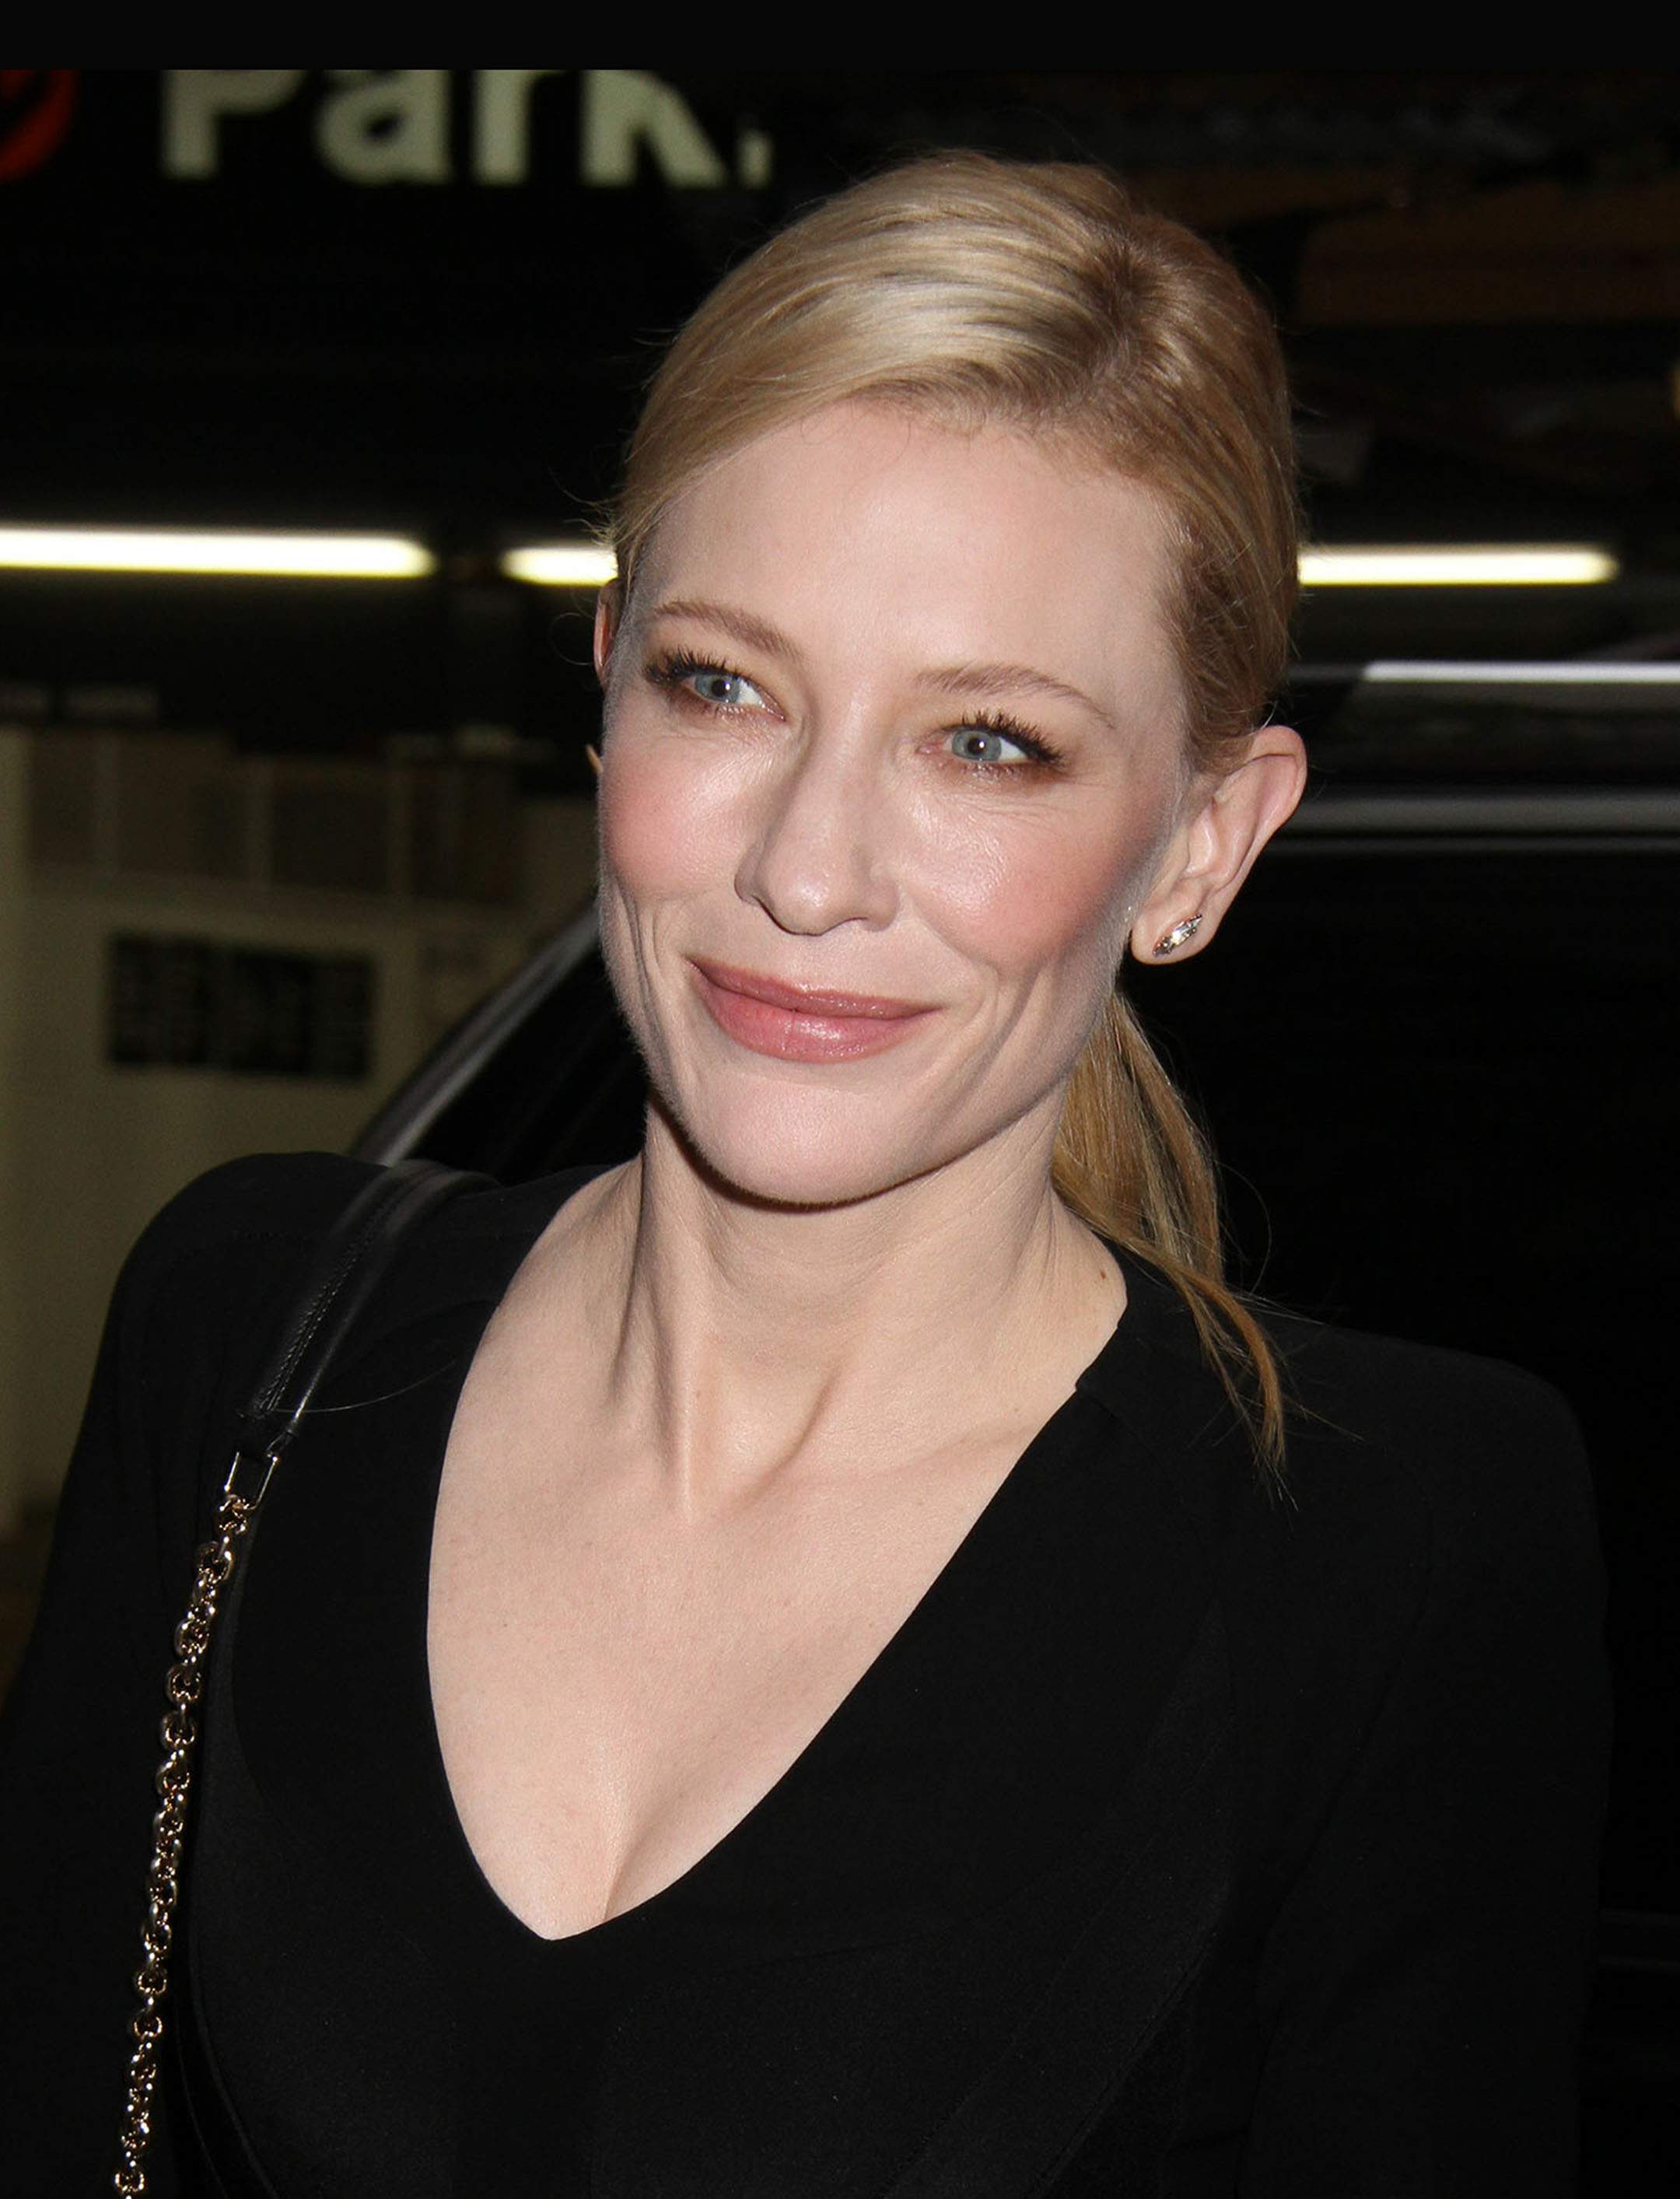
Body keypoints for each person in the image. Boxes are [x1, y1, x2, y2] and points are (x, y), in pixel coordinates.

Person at [1, 152, 1610, 2196]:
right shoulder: (250, 1333)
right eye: (726, 684)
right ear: (608, 683)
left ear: (1206, 841)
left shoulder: (1391, 1547)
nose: (807, 868)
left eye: (989, 742)